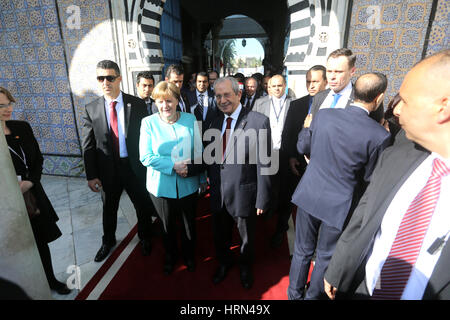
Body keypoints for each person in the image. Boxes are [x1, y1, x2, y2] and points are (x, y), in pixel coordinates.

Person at [324, 49, 450, 300]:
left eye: (406, 100)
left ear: (443, 108)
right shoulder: (396, 155)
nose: (397, 110)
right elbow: (365, 213)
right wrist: (339, 268)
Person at [288, 73, 391, 300]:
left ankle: (294, 295)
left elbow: (303, 145)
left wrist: (306, 128)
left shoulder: (324, 115)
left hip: (309, 193)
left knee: (302, 250)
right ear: (380, 97)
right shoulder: (378, 135)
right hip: (339, 204)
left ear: (354, 91)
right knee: (325, 256)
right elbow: (370, 179)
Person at [186, 76, 272, 289]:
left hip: (245, 192)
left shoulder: (258, 121)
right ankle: (224, 263)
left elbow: (266, 164)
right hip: (218, 192)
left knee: (246, 238)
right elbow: (209, 155)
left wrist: (262, 198)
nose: (222, 100)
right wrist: (189, 167)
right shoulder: (214, 121)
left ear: (239, 94)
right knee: (220, 234)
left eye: (227, 95)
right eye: (218, 96)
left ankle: (245, 267)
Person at [81, 60, 155, 262]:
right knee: (109, 208)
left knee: (141, 204)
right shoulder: (91, 109)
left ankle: (145, 237)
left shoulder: (137, 104)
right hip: (108, 171)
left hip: (133, 167)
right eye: (101, 78)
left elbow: (146, 136)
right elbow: (88, 145)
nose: (105, 82)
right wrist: (91, 174)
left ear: (119, 79)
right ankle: (108, 241)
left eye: (110, 77)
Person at [0, 87, 71, 295]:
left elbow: (37, 159)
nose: (7, 109)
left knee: (40, 240)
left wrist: (30, 181)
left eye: (9, 104)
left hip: (32, 194)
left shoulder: (21, 127)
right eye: (1, 106)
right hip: (7, 202)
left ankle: (50, 280)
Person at [139, 81, 207, 274]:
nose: (164, 106)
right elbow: (146, 156)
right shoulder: (148, 123)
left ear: (177, 100)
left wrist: (201, 178)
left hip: (189, 183)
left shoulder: (190, 119)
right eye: (160, 101)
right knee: (167, 226)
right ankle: (170, 256)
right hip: (161, 185)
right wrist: (173, 165)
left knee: (188, 224)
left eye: (169, 100)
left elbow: (199, 150)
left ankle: (188, 255)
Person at [277, 65, 328, 247]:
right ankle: (280, 228)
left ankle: (314, 240)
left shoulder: (333, 106)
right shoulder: (297, 104)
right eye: (308, 81)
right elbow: (288, 133)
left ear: (325, 81)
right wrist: (291, 157)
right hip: (297, 163)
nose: (311, 85)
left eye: (315, 81)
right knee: (287, 198)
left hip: (323, 166)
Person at [252, 75, 295, 247]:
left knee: (286, 191)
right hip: (266, 154)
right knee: (268, 185)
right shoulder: (259, 103)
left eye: (279, 85)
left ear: (285, 86)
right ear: (268, 88)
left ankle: (281, 227)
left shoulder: (295, 104)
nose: (276, 89)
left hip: (287, 155)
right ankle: (269, 210)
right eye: (273, 86)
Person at [309, 48, 356, 116]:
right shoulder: (319, 97)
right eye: (329, 71)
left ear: (352, 71)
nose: (332, 77)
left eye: (338, 72)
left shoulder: (361, 99)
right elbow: (309, 125)